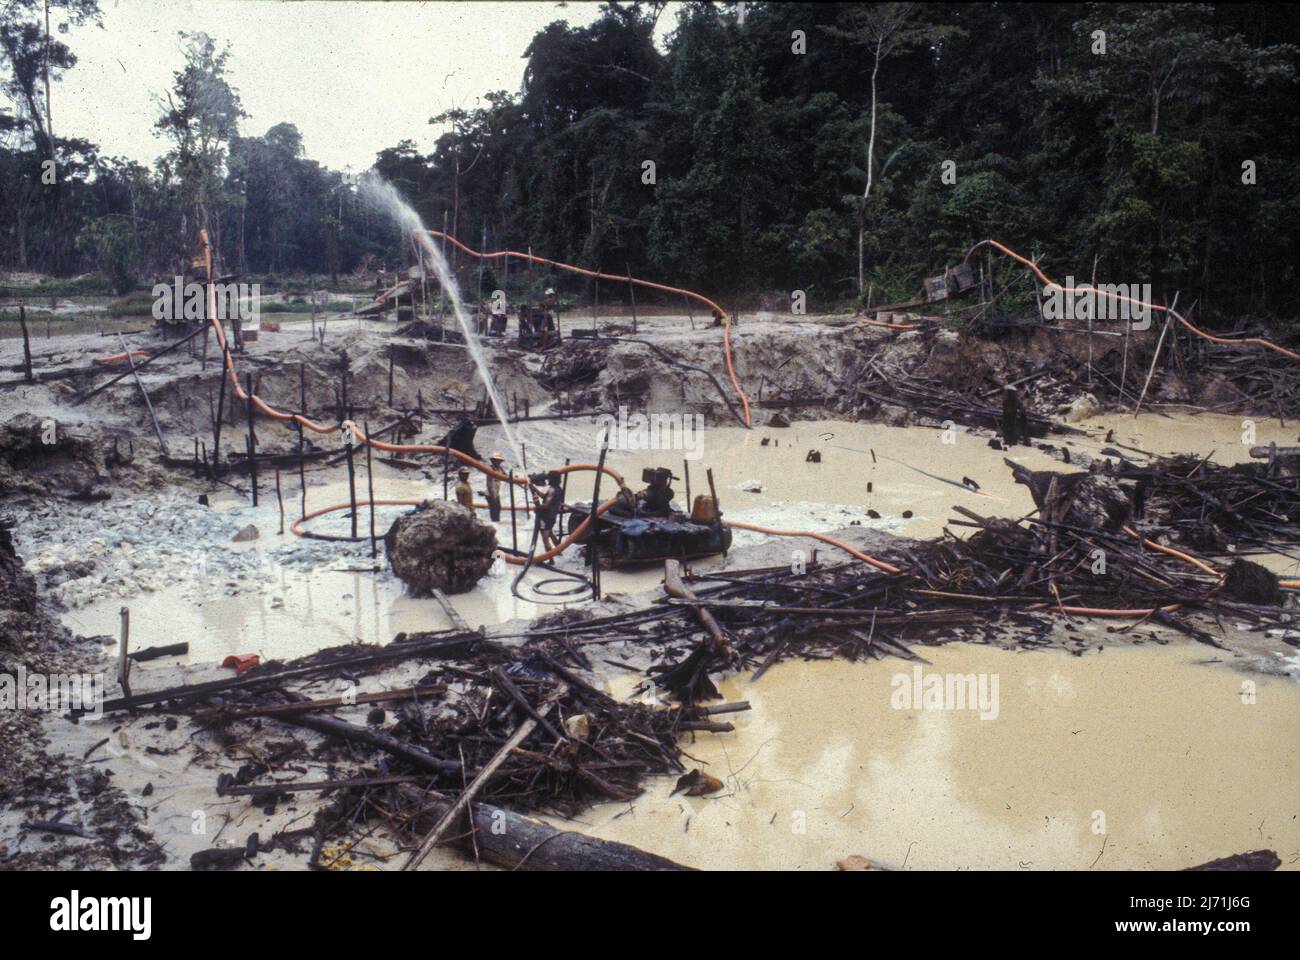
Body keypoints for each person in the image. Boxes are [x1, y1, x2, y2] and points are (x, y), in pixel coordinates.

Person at [532, 470, 564, 550]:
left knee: (545, 538)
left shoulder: (552, 490)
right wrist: (535, 489)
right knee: (550, 534)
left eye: (549, 478)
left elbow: (546, 505)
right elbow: (545, 497)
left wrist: (537, 508)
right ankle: (559, 551)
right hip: (552, 515)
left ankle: (550, 558)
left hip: (548, 516)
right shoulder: (558, 489)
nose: (547, 480)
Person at [485, 451, 505, 522]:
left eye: (499, 460)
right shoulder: (490, 469)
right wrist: (493, 497)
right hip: (490, 493)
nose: (498, 462)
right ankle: (494, 523)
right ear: (493, 461)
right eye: (497, 460)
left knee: (498, 508)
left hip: (496, 493)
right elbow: (489, 484)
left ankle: (497, 522)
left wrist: (515, 478)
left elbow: (505, 476)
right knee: (494, 509)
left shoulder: (500, 468)